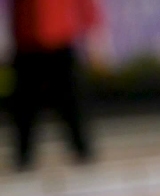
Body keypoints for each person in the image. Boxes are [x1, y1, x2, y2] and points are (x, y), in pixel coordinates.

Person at [9, 0, 102, 172]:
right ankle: (24, 155)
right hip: (27, 39)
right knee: (24, 105)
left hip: (61, 37)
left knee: (72, 101)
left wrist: (93, 32)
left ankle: (82, 150)